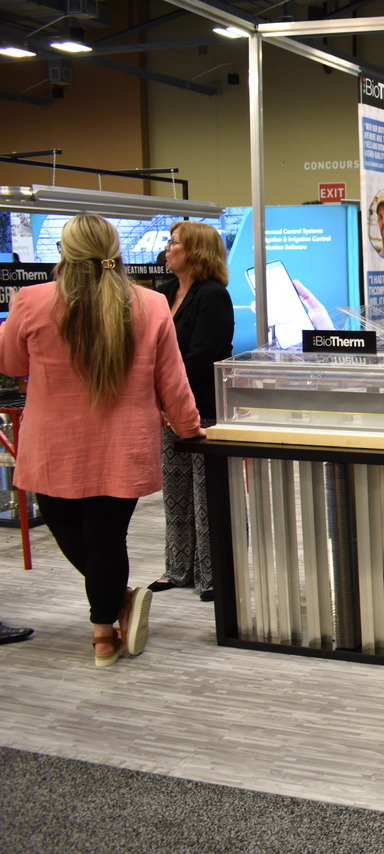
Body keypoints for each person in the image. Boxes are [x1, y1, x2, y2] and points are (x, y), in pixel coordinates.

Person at [0, 214, 204, 666]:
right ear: (115, 251)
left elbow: (11, 364)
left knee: (70, 530)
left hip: (53, 446)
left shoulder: (31, 301)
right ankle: (107, 626)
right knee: (107, 536)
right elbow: (173, 381)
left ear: (64, 253)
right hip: (124, 445)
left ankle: (108, 622)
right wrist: (189, 428)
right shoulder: (150, 304)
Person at [148, 221, 234, 601]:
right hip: (168, 408)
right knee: (176, 491)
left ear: (195, 251)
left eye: (174, 243)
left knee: (206, 493)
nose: (167, 248)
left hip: (204, 409)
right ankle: (177, 567)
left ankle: (212, 573)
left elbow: (201, 356)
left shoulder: (213, 296)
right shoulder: (164, 292)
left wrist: (166, 388)